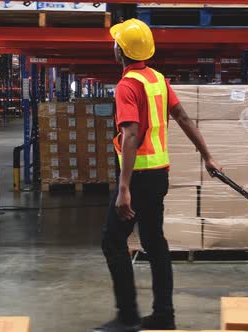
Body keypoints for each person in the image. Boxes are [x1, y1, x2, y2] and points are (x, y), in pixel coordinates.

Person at [95, 18, 221, 332]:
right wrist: (207, 155)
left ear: (120, 50)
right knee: (154, 242)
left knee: (112, 243)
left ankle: (127, 317)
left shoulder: (127, 85)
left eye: (116, 43)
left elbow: (132, 134)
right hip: (159, 176)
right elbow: (182, 116)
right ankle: (164, 315)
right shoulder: (158, 80)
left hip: (137, 177)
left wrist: (123, 187)